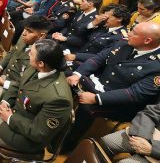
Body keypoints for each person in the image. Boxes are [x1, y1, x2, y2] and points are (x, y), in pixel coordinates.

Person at [0, 39, 73, 163]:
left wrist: (10, 118)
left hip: (28, 137)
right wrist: (6, 101)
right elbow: (19, 86)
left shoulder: (59, 98)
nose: (27, 54)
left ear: (41, 63)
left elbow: (39, 133)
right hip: (17, 113)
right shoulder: (37, 68)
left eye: (31, 53)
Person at [63, 22, 160, 152]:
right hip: (98, 84)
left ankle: (67, 144)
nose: (128, 33)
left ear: (147, 40)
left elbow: (134, 94)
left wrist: (97, 98)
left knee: (87, 109)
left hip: (121, 103)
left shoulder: (157, 65)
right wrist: (78, 74)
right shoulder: (124, 43)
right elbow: (98, 59)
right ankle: (55, 121)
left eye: (134, 33)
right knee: (67, 76)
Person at [64, 4, 131, 66]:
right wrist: (93, 23)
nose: (104, 19)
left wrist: (76, 56)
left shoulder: (121, 37)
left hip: (91, 64)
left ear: (119, 19)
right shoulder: (102, 25)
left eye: (107, 17)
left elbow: (102, 56)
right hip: (77, 54)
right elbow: (78, 31)